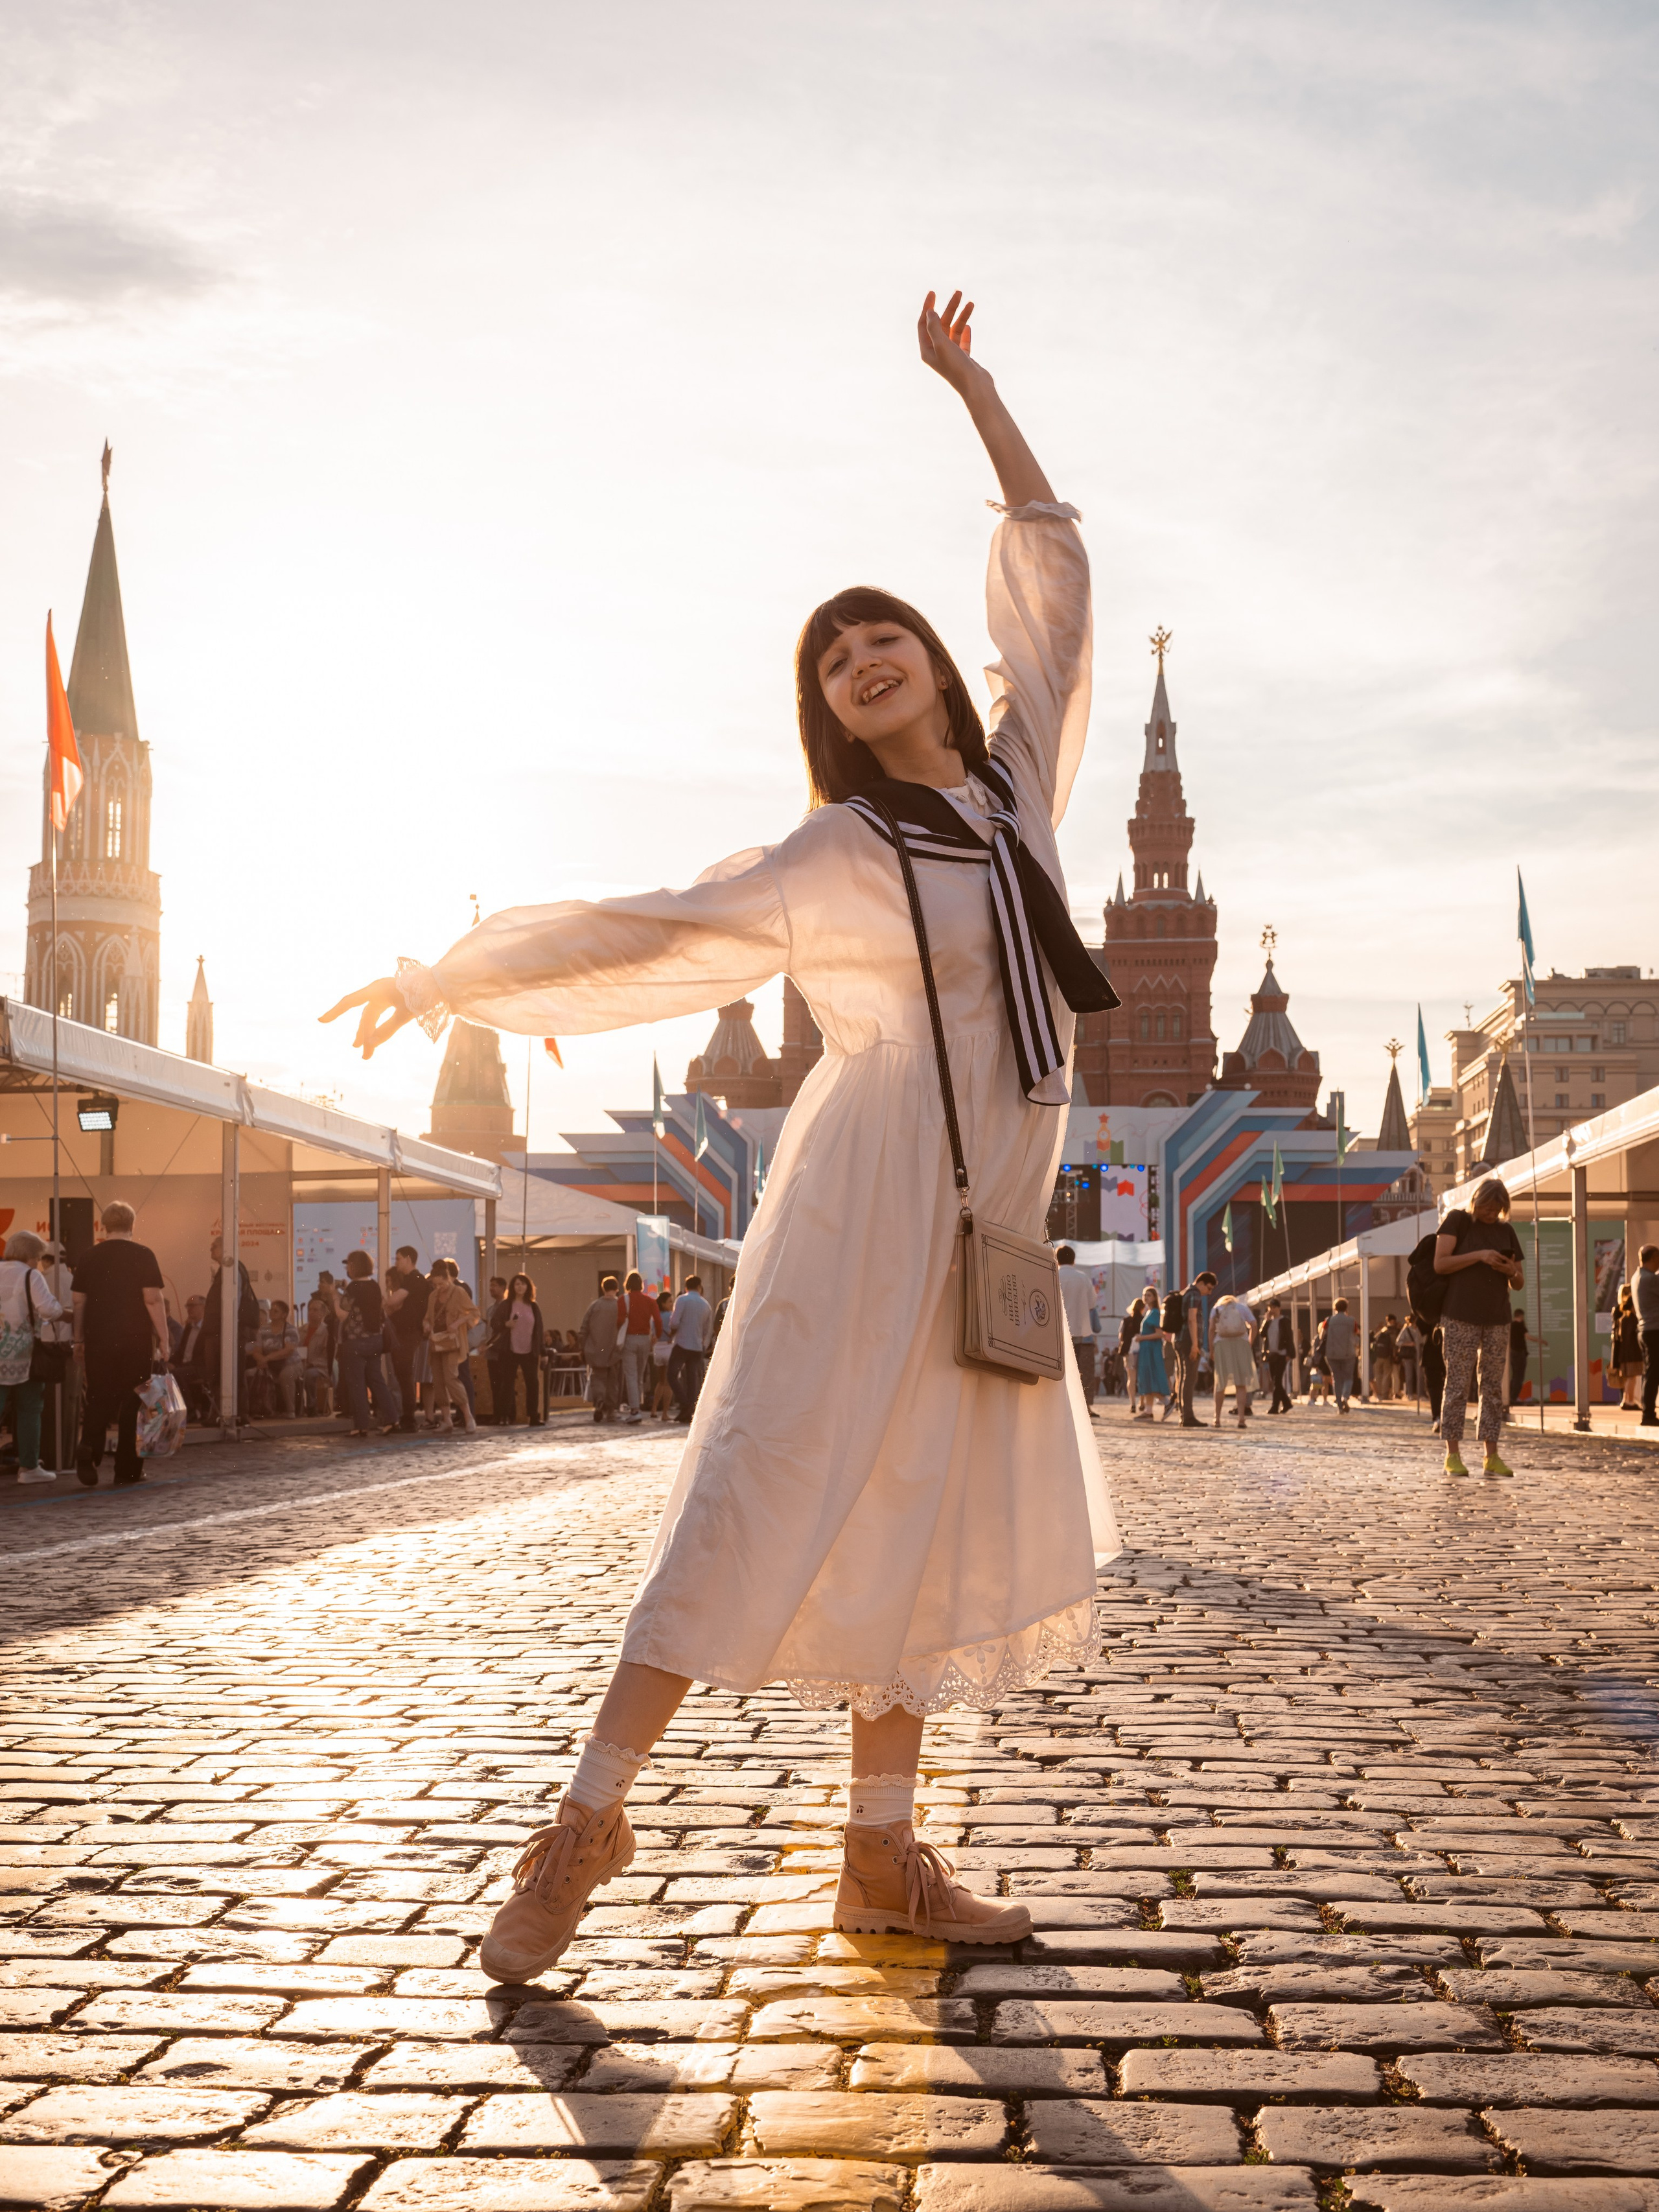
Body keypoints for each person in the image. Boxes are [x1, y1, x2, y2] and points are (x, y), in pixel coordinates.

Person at [323, 288, 1119, 1981]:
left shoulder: (1018, 794)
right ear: (828, 707)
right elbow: (654, 927)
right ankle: (583, 1821)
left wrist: (975, 392)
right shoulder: (842, 847)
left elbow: (1051, 574)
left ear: (927, 655)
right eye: (834, 655)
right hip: (870, 1196)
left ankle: (883, 1859)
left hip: (991, 1214)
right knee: (753, 1487)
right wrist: (458, 971)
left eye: (882, 629)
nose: (864, 655)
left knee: (929, 1502)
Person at [72, 1201, 168, 1488]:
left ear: (104, 1225)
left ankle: (89, 1449)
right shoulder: (143, 1255)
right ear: (132, 1225)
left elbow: (79, 1301)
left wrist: (79, 1339)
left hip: (99, 1339)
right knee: (133, 1402)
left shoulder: (89, 1256)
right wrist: (164, 1337)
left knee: (98, 1397)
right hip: (135, 1340)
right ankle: (127, 1469)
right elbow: (152, 1299)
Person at [1434, 1176, 1526, 1476]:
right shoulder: (1458, 1221)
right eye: (1487, 1207)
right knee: (1458, 1385)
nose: (1492, 1214)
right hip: (1460, 1315)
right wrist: (1479, 1256)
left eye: (1498, 1209)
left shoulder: (1506, 1231)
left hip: (1498, 1317)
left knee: (1492, 1387)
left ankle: (1491, 1454)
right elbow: (1441, 1263)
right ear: (1477, 1201)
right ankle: (1452, 1453)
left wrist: (1509, 1269)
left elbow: (1519, 1281)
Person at [0, 1230, 65, 1484]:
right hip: (24, 1355)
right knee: (30, 1408)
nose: (38, 1262)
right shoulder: (31, 1275)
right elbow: (49, 1309)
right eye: (38, 1257)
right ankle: (29, 1468)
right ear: (30, 1255)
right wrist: (63, 1311)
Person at [337, 1248, 399, 1437]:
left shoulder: (353, 1288)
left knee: (356, 1383)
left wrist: (334, 1297)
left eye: (348, 1264)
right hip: (376, 1340)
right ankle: (392, 1419)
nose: (347, 1267)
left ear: (354, 1266)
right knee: (376, 1380)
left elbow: (343, 1315)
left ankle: (361, 1425)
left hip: (356, 1342)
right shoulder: (374, 1286)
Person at [201, 1235, 259, 1423]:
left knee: (228, 1373)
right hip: (223, 1331)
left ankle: (232, 1414)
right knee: (224, 1374)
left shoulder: (232, 1270)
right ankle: (225, 1413)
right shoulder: (229, 1270)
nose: (211, 1250)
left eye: (215, 1247)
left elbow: (233, 1302)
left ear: (226, 1249)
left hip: (225, 1332)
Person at [424, 1257, 480, 1433]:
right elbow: (427, 1317)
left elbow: (474, 1313)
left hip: (453, 1343)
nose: (439, 1288)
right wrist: (426, 1324)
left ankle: (468, 1416)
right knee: (438, 1382)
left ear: (448, 1278)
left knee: (451, 1379)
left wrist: (458, 1323)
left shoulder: (459, 1292)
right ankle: (447, 1419)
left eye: (442, 1284)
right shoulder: (432, 1296)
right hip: (437, 1342)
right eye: (436, 1285)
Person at [384, 1246, 432, 1436]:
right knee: (403, 1377)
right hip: (404, 1333)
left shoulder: (414, 1280)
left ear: (409, 1259)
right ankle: (407, 1419)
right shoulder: (414, 1280)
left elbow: (393, 1302)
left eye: (398, 1259)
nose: (396, 1263)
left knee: (404, 1378)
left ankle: (409, 1420)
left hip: (407, 1334)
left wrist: (387, 1303)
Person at [612, 1270, 660, 1426]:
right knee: (639, 1376)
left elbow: (619, 1321)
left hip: (630, 1340)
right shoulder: (650, 1301)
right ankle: (637, 1406)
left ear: (627, 1285)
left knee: (631, 1376)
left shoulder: (623, 1300)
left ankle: (635, 1410)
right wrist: (656, 1336)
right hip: (645, 1340)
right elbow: (658, 1321)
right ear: (641, 1285)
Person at [498, 1271, 546, 1426]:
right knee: (507, 1384)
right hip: (509, 1350)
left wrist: (543, 1352)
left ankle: (533, 1416)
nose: (520, 1287)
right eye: (517, 1284)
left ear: (528, 1287)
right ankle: (505, 1416)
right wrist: (506, 1324)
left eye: (523, 1284)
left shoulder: (533, 1306)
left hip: (529, 1351)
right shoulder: (506, 1305)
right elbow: (494, 1323)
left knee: (533, 1383)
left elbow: (539, 1330)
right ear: (512, 1287)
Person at [667, 1274, 712, 1425]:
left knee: (672, 1375)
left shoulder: (682, 1300)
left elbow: (674, 1323)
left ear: (686, 1287)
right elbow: (707, 1329)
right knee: (693, 1379)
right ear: (699, 1287)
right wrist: (703, 1345)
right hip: (697, 1346)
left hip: (681, 1343)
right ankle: (691, 1408)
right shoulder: (706, 1305)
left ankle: (685, 1403)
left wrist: (672, 1333)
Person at [248, 1299, 303, 1418]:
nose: (272, 1312)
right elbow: (257, 1350)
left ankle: (290, 1410)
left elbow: (288, 1351)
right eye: (271, 1310)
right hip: (270, 1365)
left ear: (284, 1315)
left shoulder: (291, 1330)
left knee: (285, 1375)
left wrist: (267, 1358)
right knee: (250, 1373)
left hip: (291, 1363)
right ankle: (260, 1409)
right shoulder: (263, 1330)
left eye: (276, 1311)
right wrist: (261, 1359)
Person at [1056, 1246, 1098, 1404]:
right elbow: (1092, 1303)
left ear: (1057, 1259)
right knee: (1078, 1368)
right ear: (1074, 1260)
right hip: (1079, 1330)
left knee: (1060, 1367)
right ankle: (1078, 1403)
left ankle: (1061, 1401)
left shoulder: (1053, 1273)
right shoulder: (1082, 1278)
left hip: (1057, 1330)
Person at [580, 1274, 623, 1425]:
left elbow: (584, 1328)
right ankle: (611, 1411)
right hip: (614, 1351)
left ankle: (599, 1400)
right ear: (617, 1289)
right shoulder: (620, 1306)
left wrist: (583, 1346)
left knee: (598, 1379)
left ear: (603, 1288)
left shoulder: (594, 1306)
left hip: (595, 1350)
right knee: (613, 1382)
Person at [1209, 1292, 1256, 1425]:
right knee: (1241, 1384)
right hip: (1241, 1344)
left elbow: (1212, 1329)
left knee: (1220, 1383)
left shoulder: (1216, 1309)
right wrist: (1249, 1342)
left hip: (1221, 1345)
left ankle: (1217, 1418)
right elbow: (1254, 1324)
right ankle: (1241, 1418)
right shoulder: (1242, 1308)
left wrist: (1212, 1350)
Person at [1178, 1272, 1216, 1426]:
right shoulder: (1195, 1294)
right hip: (1189, 1341)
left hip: (1180, 1340)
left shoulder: (1185, 1292)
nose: (1209, 1292)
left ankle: (1184, 1414)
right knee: (1190, 1379)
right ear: (1201, 1282)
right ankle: (1188, 1416)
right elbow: (1192, 1318)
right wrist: (1195, 1344)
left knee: (1183, 1378)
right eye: (1209, 1288)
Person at [1634, 1244, 1659, 1428]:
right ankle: (1648, 1413)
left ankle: (1648, 1411)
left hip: (1645, 1330)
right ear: (1653, 1258)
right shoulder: (1650, 1279)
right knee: (1652, 1374)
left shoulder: (1638, 1277)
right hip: (1654, 1330)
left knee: (1650, 1373)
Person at [1131, 1301, 1168, 1421]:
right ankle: (1148, 1411)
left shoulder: (1155, 1313)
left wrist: (1142, 1338)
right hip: (1147, 1349)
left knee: (1150, 1378)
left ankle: (1167, 1402)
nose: (1146, 1297)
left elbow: (1160, 1334)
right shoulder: (1149, 1313)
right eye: (1145, 1295)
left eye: (1149, 1295)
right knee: (1147, 1378)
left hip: (1151, 1350)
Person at [483, 1276, 513, 1424]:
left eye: (494, 1286)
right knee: (494, 1385)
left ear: (503, 1288)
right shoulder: (490, 1309)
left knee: (505, 1384)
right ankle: (497, 1415)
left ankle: (506, 1415)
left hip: (505, 1351)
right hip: (492, 1352)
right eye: (490, 1286)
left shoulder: (509, 1306)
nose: (491, 1289)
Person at [1260, 1298, 1294, 1415]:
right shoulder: (1269, 1322)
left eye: (1274, 1307)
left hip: (1282, 1354)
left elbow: (1289, 1337)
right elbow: (1262, 1334)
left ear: (1279, 1308)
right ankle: (1287, 1403)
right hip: (1271, 1355)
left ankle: (1275, 1407)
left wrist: (1289, 1353)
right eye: (1270, 1308)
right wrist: (1266, 1320)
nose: (1272, 1310)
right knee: (1276, 1381)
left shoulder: (1284, 1321)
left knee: (1277, 1380)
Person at [1323, 1298, 1358, 1413]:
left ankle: (1339, 1406)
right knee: (1348, 1377)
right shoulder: (1351, 1321)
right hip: (1348, 1353)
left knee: (1337, 1379)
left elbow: (1321, 1336)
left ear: (1335, 1308)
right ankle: (1345, 1397)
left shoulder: (1329, 1320)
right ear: (1346, 1308)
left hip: (1332, 1354)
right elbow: (1356, 1333)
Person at [1612, 1283, 1642, 1410]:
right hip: (1632, 1354)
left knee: (1629, 1378)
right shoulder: (1631, 1319)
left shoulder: (1622, 1318)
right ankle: (1629, 1401)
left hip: (1624, 1353)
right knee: (1631, 1378)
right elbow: (1632, 1338)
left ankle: (1627, 1399)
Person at [1371, 1314, 1400, 1402]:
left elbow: (1374, 1341)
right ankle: (1384, 1395)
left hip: (1378, 1356)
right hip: (1388, 1356)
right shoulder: (1395, 1331)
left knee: (1378, 1376)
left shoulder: (1382, 1331)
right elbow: (1394, 1344)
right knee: (1387, 1376)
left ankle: (1378, 1394)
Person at [1395, 1316, 1421, 1402]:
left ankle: (1420, 1393)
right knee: (1409, 1375)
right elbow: (1398, 1342)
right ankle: (1409, 1394)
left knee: (1420, 1374)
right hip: (1409, 1355)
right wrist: (1409, 1344)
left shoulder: (1419, 1330)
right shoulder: (1406, 1330)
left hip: (1418, 1354)